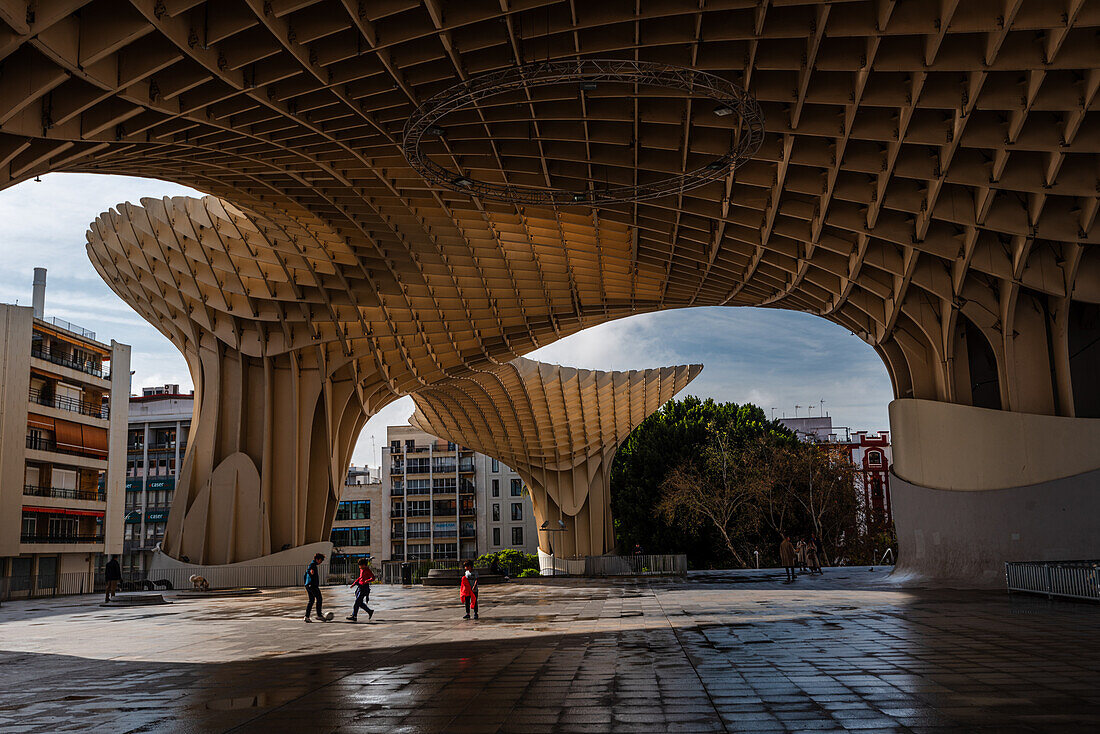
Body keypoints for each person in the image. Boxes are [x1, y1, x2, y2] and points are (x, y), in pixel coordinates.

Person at [303, 552, 330, 622]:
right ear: (317, 559)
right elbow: (309, 570)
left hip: (308, 585)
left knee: (311, 600)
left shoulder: (312, 564)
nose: (321, 562)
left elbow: (305, 574)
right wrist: (310, 572)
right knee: (319, 598)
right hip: (312, 585)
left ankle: (307, 616)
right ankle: (319, 615)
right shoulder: (312, 565)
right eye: (321, 560)